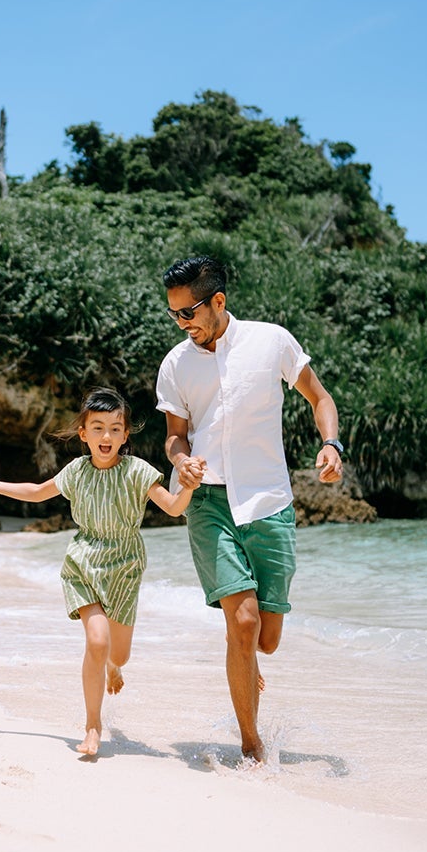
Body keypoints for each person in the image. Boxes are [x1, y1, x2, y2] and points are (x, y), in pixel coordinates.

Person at [154, 255, 343, 763]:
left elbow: (320, 399)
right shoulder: (176, 364)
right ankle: (252, 744)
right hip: (208, 501)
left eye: (188, 311)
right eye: (173, 314)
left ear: (218, 301)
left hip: (269, 502)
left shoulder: (271, 341)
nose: (182, 323)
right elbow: (174, 438)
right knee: (241, 622)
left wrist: (332, 445)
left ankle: (248, 658)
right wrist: (182, 460)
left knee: (267, 639)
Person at [0, 387, 197, 757]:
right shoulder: (77, 472)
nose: (106, 436)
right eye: (97, 428)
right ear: (83, 433)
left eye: (116, 429)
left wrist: (188, 486)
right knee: (97, 641)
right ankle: (92, 726)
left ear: (126, 435)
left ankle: (112, 667)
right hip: (83, 562)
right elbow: (37, 492)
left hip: (125, 569)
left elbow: (175, 509)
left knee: (119, 655)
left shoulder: (138, 472)